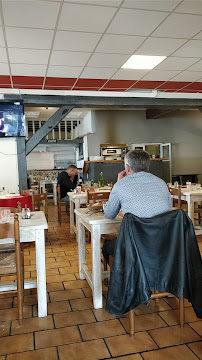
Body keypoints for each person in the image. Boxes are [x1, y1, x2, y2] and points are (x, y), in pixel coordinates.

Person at [103, 150, 172, 263]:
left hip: (135, 246)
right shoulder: (162, 183)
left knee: (107, 247)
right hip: (162, 244)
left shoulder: (120, 185)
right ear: (147, 165)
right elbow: (168, 212)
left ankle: (126, 277)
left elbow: (109, 214)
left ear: (127, 167)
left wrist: (118, 183)